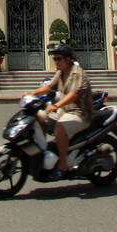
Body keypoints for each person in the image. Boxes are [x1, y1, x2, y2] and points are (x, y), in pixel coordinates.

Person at [21, 44, 93, 178]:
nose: (56, 62)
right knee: (39, 117)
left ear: (68, 59)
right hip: (64, 112)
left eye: (59, 59)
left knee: (60, 127)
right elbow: (49, 87)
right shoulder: (61, 73)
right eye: (54, 59)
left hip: (78, 113)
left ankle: (63, 165)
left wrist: (56, 105)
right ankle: (42, 151)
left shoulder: (76, 72)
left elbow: (74, 94)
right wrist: (31, 93)